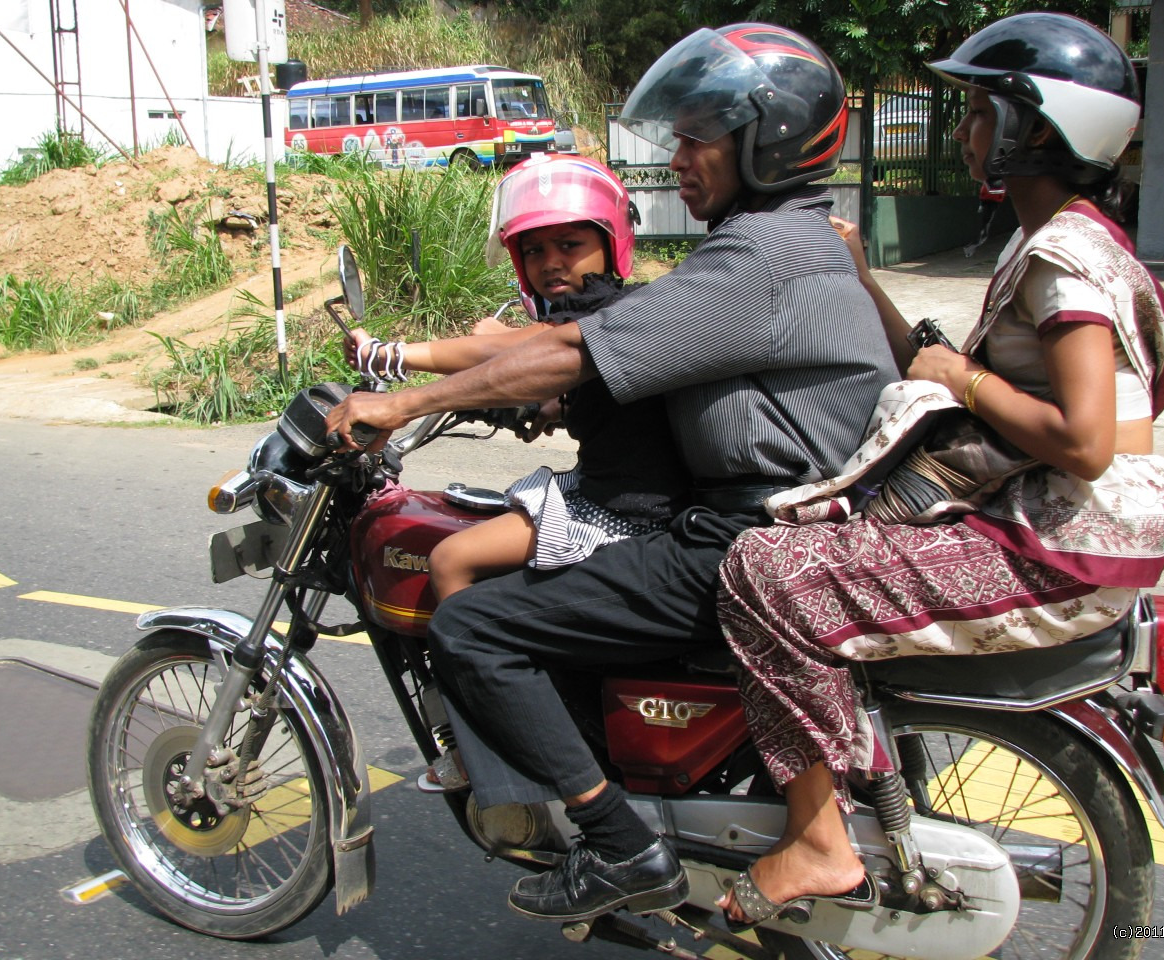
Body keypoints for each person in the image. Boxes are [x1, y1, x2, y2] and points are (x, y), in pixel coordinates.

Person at [326, 23, 897, 922]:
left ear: (766, 141)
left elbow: (565, 348)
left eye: (698, 136)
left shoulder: (759, 257)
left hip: (740, 537)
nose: (678, 157)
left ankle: (621, 848)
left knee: (472, 626)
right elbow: (580, 361)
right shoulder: (786, 244)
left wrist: (396, 402)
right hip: (771, 518)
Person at [715, 12, 1164, 927]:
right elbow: (958, 378)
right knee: (813, 551)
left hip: (1061, 544)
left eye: (975, 112)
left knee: (763, 574)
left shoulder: (1063, 262)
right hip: (1066, 529)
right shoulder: (1070, 237)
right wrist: (865, 280)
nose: (963, 131)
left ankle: (817, 839)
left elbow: (1082, 439)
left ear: (1032, 129)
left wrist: (961, 374)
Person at [342, 154, 688, 606]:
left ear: (610, 241)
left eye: (569, 245)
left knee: (450, 558)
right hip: (611, 493)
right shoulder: (603, 312)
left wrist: (388, 356)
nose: (550, 262)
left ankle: (469, 667)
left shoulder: (613, 310)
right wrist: (554, 406)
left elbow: (521, 350)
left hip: (626, 514)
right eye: (534, 250)